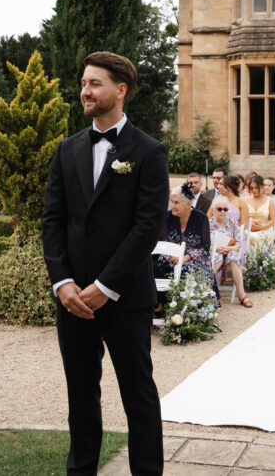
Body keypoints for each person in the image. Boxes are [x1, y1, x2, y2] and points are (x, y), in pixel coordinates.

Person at [42, 51, 168, 474]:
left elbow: (147, 228)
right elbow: (53, 220)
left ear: (120, 90)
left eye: (94, 84)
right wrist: (63, 283)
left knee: (139, 396)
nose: (85, 91)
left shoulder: (149, 151)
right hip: (73, 298)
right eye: (83, 83)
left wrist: (105, 287)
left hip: (125, 296)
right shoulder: (66, 149)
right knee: (80, 396)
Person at [156, 183, 219, 305]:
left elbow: (205, 247)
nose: (172, 206)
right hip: (172, 256)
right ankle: (162, 303)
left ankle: (190, 305)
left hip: (195, 257)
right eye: (172, 202)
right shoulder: (167, 217)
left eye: (176, 203)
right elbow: (164, 241)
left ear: (188, 204)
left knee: (187, 269)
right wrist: (172, 255)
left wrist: (186, 257)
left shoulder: (201, 218)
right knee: (160, 264)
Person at [207, 195, 252, 308]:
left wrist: (229, 249)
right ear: (213, 210)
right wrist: (216, 248)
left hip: (229, 251)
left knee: (233, 256)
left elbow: (238, 244)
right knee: (216, 256)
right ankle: (207, 292)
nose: (223, 211)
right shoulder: (208, 223)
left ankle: (242, 295)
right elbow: (205, 245)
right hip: (214, 252)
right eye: (219, 209)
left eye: (225, 209)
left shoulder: (232, 222)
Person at [245, 174, 275, 252]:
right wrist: (249, 224)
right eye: (251, 188)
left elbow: (272, 220)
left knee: (257, 237)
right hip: (248, 228)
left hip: (265, 228)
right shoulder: (245, 200)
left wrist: (261, 227)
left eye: (256, 188)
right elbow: (242, 217)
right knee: (245, 236)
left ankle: (259, 260)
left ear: (262, 186)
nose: (254, 190)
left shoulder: (270, 201)